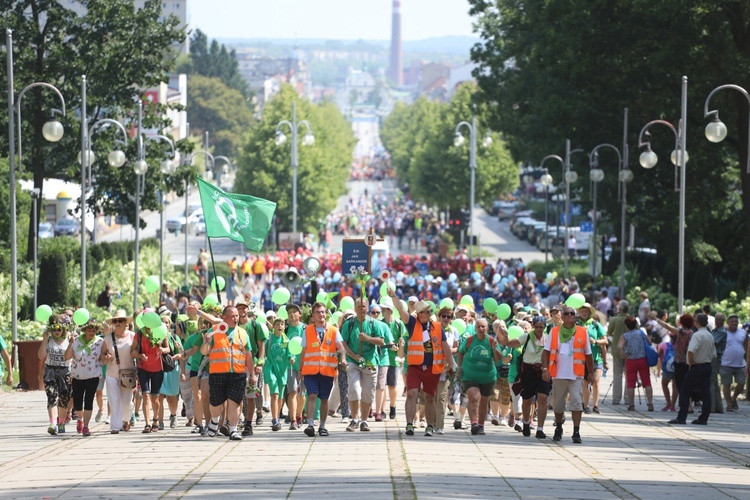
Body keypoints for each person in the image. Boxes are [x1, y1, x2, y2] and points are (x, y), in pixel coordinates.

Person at [389, 288, 457, 437]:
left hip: (432, 368)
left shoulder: (438, 327)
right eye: (424, 312)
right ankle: (409, 425)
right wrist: (393, 296)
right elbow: (400, 309)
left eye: (428, 311)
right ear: (419, 314)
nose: (427, 313)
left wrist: (452, 364)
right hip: (415, 367)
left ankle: (430, 426)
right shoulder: (412, 323)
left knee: (429, 397)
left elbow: (445, 346)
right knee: (412, 394)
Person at [200, 306, 256, 441]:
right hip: (218, 373)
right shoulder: (214, 331)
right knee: (216, 404)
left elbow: (248, 355)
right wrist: (206, 342)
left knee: (234, 402)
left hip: (237, 373)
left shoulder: (242, 333)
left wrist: (252, 374)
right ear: (224, 318)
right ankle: (214, 420)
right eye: (232, 316)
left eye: (237, 316)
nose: (236, 318)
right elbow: (204, 351)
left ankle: (233, 430)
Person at [542, 306, 595, 444]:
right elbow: (545, 352)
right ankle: (558, 427)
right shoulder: (554, 332)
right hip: (558, 373)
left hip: (576, 374)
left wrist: (591, 373)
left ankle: (576, 431)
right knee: (558, 405)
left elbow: (589, 355)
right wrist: (544, 369)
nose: (570, 315)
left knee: (577, 403)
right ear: (562, 316)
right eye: (566, 313)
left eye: (572, 313)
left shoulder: (582, 332)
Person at [299, 301, 348, 437]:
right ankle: (310, 425)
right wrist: (299, 370)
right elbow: (303, 352)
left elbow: (342, 349)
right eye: (318, 312)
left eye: (323, 312)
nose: (321, 314)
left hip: (327, 371)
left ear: (326, 314)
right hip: (310, 371)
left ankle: (322, 426)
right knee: (312, 395)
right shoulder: (307, 330)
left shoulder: (333, 330)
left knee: (325, 398)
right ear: (313, 315)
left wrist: (343, 359)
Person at [499, 315, 549, 439]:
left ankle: (540, 429)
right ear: (533, 326)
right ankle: (526, 423)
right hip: (528, 371)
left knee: (542, 399)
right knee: (527, 400)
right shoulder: (526, 337)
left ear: (544, 327)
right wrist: (505, 334)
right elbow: (509, 343)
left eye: (541, 327)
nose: (539, 329)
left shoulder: (548, 339)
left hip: (543, 371)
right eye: (536, 326)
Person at [340, 298, 386, 432]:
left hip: (370, 361)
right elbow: (343, 343)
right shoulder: (349, 324)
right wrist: (353, 356)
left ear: (368, 308)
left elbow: (381, 341)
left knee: (368, 392)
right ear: (355, 308)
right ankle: (354, 419)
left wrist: (367, 339)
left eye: (364, 306)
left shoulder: (373, 324)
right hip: (353, 360)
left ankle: (364, 421)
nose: (361, 309)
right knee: (354, 389)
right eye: (359, 306)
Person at [457, 318, 502, 435]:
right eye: (478, 327)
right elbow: (460, 351)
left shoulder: (492, 340)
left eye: (483, 327)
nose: (481, 329)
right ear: (475, 328)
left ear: (487, 328)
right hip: (469, 375)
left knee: (483, 401)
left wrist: (494, 349)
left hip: (488, 377)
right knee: (474, 397)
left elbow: (499, 359)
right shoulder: (470, 340)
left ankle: (481, 425)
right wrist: (459, 366)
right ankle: (474, 423)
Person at [669, 314, 715, 425]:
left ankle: (682, 417)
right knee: (706, 393)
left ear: (697, 322)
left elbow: (691, 351)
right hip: (707, 365)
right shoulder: (710, 335)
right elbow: (714, 354)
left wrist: (690, 363)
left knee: (685, 390)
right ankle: (704, 418)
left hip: (697, 365)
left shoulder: (697, 335)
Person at [65, 320, 105, 437]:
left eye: (94, 330)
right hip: (78, 376)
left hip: (93, 375)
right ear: (84, 330)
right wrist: (70, 343)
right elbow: (67, 357)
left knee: (89, 400)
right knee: (77, 402)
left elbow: (103, 356)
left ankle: (86, 426)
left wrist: (106, 357)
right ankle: (80, 419)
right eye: (89, 329)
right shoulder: (76, 341)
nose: (91, 332)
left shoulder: (100, 342)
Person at [130, 318, 170, 434]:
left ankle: (156, 420)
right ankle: (147, 423)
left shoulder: (161, 331)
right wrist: (140, 355)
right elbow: (132, 351)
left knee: (155, 397)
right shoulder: (139, 334)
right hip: (143, 368)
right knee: (145, 395)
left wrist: (162, 349)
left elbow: (168, 349)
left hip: (157, 368)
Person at [101, 310, 136, 434]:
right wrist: (106, 358)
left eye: (120, 321)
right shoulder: (108, 338)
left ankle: (125, 419)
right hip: (112, 373)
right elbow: (102, 355)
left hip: (128, 374)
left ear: (126, 323)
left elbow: (136, 352)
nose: (118, 323)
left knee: (127, 402)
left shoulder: (132, 336)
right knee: (114, 400)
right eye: (115, 321)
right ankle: (115, 426)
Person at [38, 317, 72, 435]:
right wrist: (44, 339)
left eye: (59, 328)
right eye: (54, 328)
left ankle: (61, 423)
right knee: (51, 396)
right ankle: (52, 423)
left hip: (65, 372)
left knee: (64, 398)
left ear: (64, 329)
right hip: (50, 371)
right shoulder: (49, 340)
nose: (57, 331)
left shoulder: (69, 339)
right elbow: (41, 356)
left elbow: (71, 357)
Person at [617, 316, 654, 411]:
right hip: (642, 360)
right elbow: (650, 343)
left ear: (626, 325)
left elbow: (619, 347)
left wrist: (623, 355)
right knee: (647, 382)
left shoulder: (624, 336)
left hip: (631, 361)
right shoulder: (641, 333)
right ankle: (650, 404)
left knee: (631, 383)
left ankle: (632, 405)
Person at [265, 317, 295, 431]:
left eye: (282, 324)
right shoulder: (269, 339)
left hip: (282, 371)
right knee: (275, 394)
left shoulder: (286, 341)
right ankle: (275, 420)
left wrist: (291, 359)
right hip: (270, 368)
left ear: (284, 327)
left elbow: (289, 354)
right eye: (277, 324)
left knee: (280, 397)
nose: (280, 326)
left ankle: (277, 417)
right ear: (273, 326)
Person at [379, 300, 406, 422]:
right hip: (382, 358)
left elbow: (402, 339)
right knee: (382, 386)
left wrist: (399, 347)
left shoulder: (398, 324)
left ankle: (393, 406)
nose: (382, 311)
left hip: (394, 359)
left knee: (392, 385)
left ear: (390, 310)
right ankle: (382, 410)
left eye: (384, 309)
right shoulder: (380, 323)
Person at [579, 303, 607, 414]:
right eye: (582, 311)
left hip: (596, 358)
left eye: (586, 311)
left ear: (589, 312)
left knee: (596, 382)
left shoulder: (595, 324)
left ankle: (595, 405)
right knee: (585, 382)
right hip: (582, 359)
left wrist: (595, 341)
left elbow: (605, 340)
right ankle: (585, 406)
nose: (584, 313)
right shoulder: (576, 324)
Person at [284, 303, 306, 430]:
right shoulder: (285, 330)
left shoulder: (305, 329)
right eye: (289, 312)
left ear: (300, 314)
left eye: (294, 311)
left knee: (301, 394)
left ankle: (299, 415)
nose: (292, 314)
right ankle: (293, 420)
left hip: (304, 365)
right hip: (290, 366)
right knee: (291, 392)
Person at [720, 313, 747, 412]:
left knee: (741, 383)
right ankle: (729, 404)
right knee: (726, 384)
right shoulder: (723, 332)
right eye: (732, 322)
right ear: (728, 323)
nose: (734, 323)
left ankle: (734, 397)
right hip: (726, 363)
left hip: (740, 364)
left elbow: (747, 347)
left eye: (736, 321)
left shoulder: (742, 333)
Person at [607, 300, 630, 405]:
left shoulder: (614, 320)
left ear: (620, 309)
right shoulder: (631, 319)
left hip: (617, 350)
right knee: (629, 375)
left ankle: (616, 399)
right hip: (630, 351)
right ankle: (628, 399)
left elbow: (608, 333)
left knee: (617, 375)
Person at [710, 313, 727, 413]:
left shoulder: (721, 332)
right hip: (713, 357)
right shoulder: (715, 330)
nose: (716, 321)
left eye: (719, 319)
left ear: (723, 321)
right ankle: (718, 407)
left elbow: (712, 343)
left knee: (710, 382)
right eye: (716, 319)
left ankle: (710, 407)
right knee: (715, 383)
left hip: (715, 358)